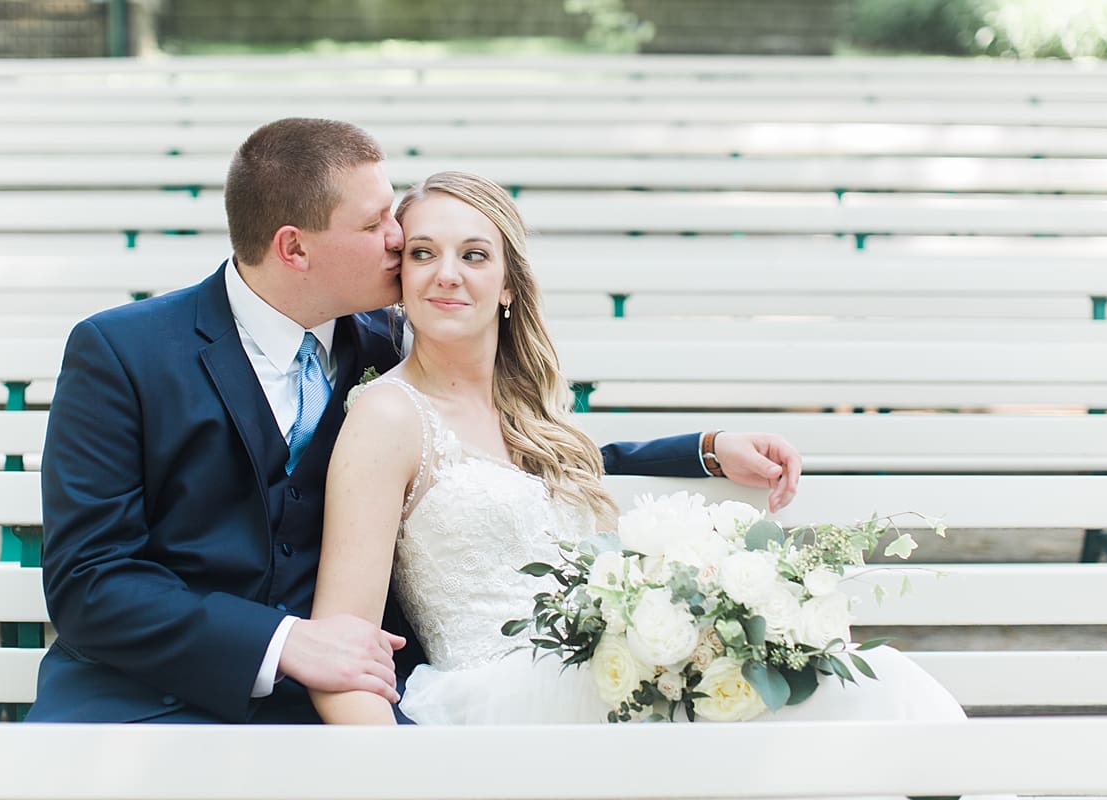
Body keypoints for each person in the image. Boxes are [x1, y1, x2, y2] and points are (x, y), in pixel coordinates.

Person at [28, 118, 801, 724]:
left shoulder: (385, 338)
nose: (399, 242)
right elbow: (90, 581)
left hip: (329, 705)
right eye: (377, 226)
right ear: (294, 247)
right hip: (149, 697)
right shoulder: (123, 353)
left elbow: (499, 454)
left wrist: (700, 450)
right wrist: (288, 643)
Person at [309, 171, 971, 735]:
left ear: (509, 285)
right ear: (401, 277)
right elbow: (340, 649)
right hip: (505, 707)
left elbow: (596, 484)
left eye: (475, 255)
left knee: (878, 680)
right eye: (423, 253)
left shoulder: (537, 416)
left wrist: (709, 453)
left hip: (610, 683)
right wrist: (402, 779)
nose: (446, 275)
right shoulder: (388, 416)